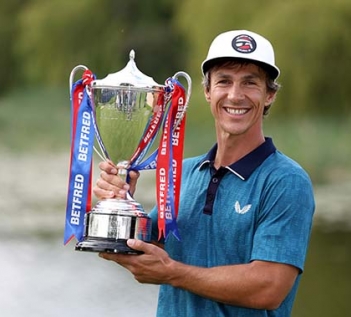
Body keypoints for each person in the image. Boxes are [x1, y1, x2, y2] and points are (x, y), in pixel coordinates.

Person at [95, 29, 315, 316]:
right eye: (224, 81)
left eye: (250, 83)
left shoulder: (285, 181)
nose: (236, 95)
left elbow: (269, 287)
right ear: (208, 91)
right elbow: (145, 250)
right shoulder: (183, 172)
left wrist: (173, 273)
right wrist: (118, 203)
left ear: (270, 94)